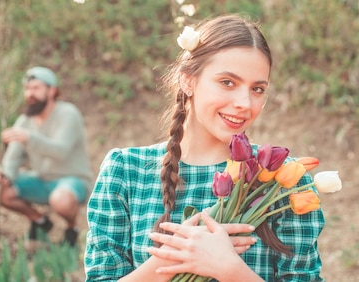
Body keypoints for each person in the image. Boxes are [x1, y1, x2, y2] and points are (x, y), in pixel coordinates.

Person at [84, 15, 325, 281]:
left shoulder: (283, 180)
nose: (245, 102)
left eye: (257, 88)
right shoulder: (126, 171)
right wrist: (173, 258)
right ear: (188, 80)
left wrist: (229, 269)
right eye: (228, 82)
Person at [0, 66, 93, 246]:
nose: (30, 93)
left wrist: (29, 138)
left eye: (36, 88)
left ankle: (72, 228)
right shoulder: (25, 121)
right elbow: (12, 158)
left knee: (60, 199)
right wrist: (5, 176)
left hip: (72, 181)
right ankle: (39, 221)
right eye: (27, 89)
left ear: (52, 90)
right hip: (41, 181)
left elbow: (61, 151)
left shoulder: (68, 113)